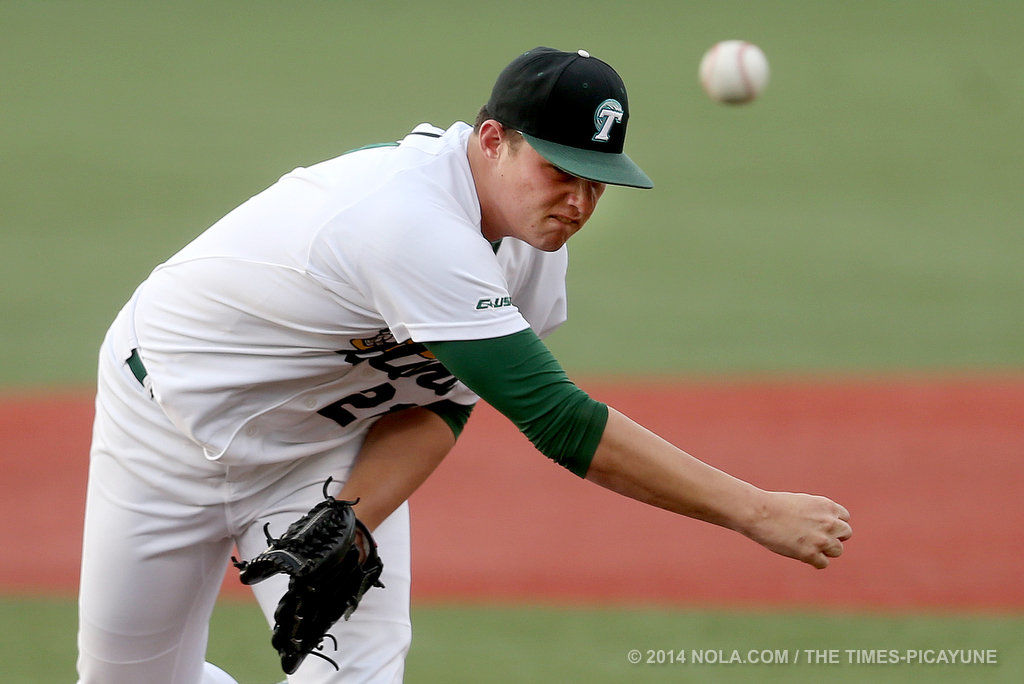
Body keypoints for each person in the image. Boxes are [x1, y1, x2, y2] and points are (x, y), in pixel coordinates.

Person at [76, 46, 852, 683]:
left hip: (314, 448)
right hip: (163, 428)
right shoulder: (406, 219)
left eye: (597, 181)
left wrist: (354, 519)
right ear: (491, 141)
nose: (579, 202)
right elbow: (558, 421)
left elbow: (440, 401)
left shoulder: (534, 256)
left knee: (361, 674)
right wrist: (755, 510)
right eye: (559, 170)